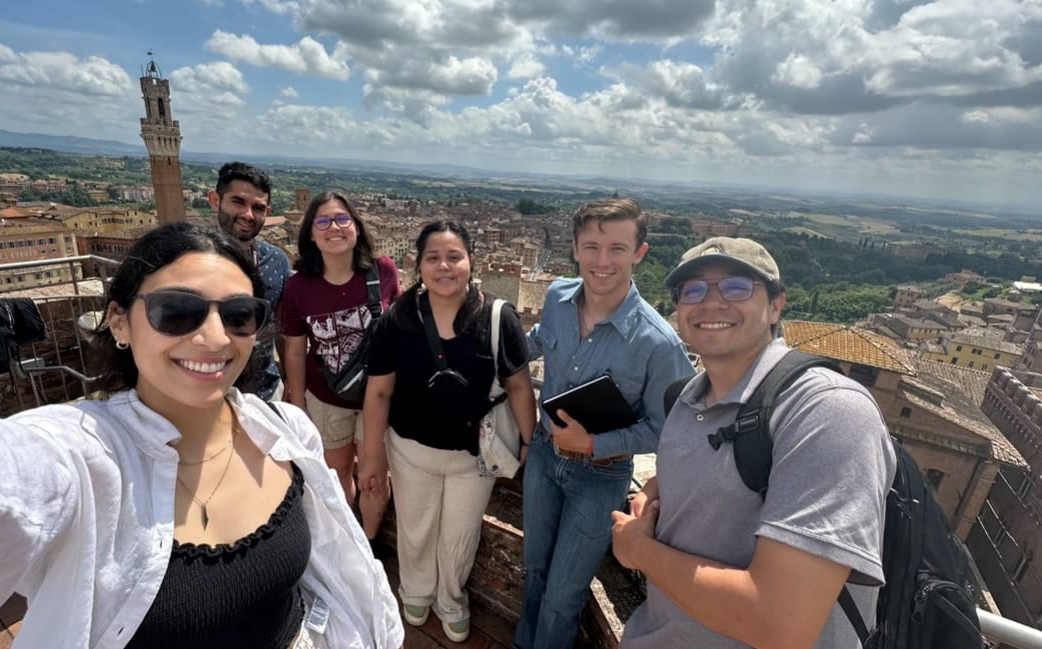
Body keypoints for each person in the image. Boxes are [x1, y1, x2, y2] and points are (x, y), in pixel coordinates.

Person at [0, 222, 403, 649]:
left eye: (239, 316)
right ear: (120, 322)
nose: (215, 338)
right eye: (178, 311)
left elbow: (336, 562)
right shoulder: (81, 457)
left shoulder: (284, 430)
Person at [611, 236, 897, 649]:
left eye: (735, 287)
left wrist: (637, 549)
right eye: (692, 290)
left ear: (776, 305)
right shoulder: (686, 398)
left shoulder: (827, 411)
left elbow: (779, 624)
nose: (710, 302)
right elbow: (705, 473)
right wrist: (657, 490)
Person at [515, 197, 693, 649]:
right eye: (591, 246)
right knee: (533, 570)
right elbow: (535, 344)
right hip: (542, 455)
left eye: (617, 248)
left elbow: (668, 430)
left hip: (601, 476)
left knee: (563, 593)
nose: (602, 260)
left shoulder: (658, 342)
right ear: (575, 248)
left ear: (639, 253)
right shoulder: (556, 297)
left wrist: (593, 443)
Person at [360, 221, 536, 643]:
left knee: (460, 534)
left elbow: (518, 385)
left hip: (473, 457)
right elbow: (379, 392)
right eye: (432, 258)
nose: (444, 266)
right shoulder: (397, 321)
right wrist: (371, 455)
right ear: (418, 265)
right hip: (409, 449)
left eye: (454, 256)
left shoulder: (498, 318)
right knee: (416, 526)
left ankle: (451, 599)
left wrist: (530, 442)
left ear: (470, 262)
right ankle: (416, 590)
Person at [281, 190, 401, 544]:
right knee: (335, 476)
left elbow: (399, 332)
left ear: (357, 228)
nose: (333, 227)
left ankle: (367, 544)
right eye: (323, 221)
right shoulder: (298, 287)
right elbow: (295, 350)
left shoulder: (383, 271)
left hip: (377, 399)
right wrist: (300, 407)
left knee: (375, 477)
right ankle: (345, 542)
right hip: (325, 398)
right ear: (311, 234)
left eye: (341, 219)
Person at [209, 161, 290, 400]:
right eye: (238, 202)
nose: (248, 214)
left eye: (258, 207)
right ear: (215, 200)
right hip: (207, 390)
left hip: (267, 391)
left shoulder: (276, 261)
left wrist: (288, 381)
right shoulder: (188, 259)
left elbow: (281, 326)